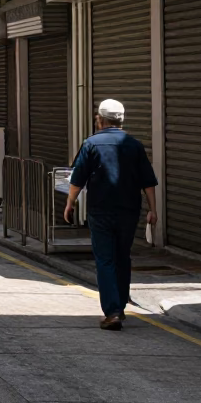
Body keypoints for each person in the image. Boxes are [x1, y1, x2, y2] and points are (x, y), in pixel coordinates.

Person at [64, 98, 158, 331]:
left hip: (101, 210)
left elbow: (77, 179)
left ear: (100, 119)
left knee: (105, 259)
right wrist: (153, 210)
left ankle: (113, 312)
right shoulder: (134, 145)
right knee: (122, 257)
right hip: (129, 210)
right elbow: (148, 182)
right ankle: (120, 307)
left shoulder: (91, 144)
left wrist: (70, 203)